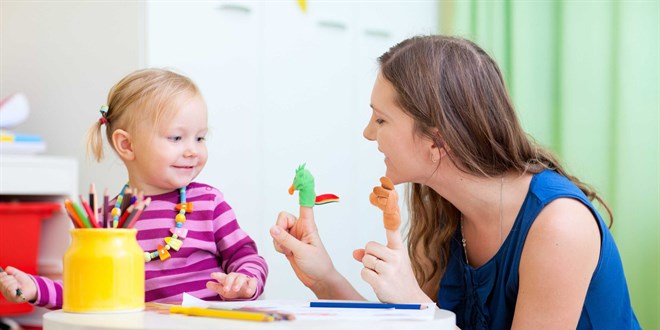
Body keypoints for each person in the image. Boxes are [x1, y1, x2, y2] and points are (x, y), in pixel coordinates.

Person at [270, 35, 640, 329]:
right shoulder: (445, 208)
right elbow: (415, 325)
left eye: (381, 120)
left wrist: (417, 304)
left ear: (436, 139)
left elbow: (424, 319)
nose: (368, 134)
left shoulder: (560, 227)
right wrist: (325, 277)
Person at [0, 68, 268, 308]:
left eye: (200, 138)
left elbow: (246, 256)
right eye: (177, 137)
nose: (193, 150)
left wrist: (245, 281)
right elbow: (87, 289)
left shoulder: (208, 203)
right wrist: (36, 289)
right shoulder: (106, 219)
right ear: (127, 145)